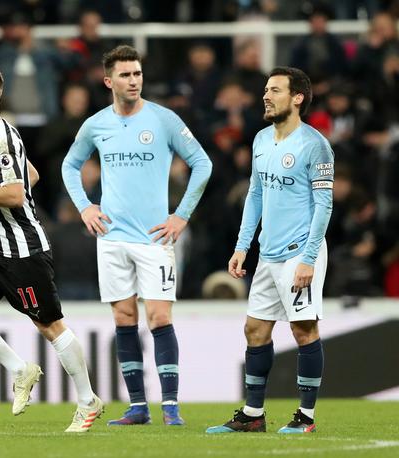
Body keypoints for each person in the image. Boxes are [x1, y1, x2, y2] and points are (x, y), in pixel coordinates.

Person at [0, 64, 103, 433]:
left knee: (49, 325)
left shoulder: (1, 138)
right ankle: (20, 369)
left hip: (23, 252)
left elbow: (17, 194)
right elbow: (29, 176)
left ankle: (87, 400)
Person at [61, 45, 213, 426]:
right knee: (124, 317)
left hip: (154, 238)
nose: (134, 80)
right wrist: (85, 206)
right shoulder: (96, 124)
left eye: (138, 74)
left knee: (159, 318)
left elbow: (202, 163)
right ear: (108, 81)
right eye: (126, 75)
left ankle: (172, 407)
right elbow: (70, 165)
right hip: (111, 237)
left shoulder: (163, 120)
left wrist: (181, 215)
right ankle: (138, 407)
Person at [206, 67, 334, 435]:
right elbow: (256, 195)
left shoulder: (315, 145)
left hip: (299, 252)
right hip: (269, 254)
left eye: (275, 90)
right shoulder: (261, 139)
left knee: (303, 330)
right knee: (255, 330)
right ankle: (252, 415)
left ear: (297, 98)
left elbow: (324, 205)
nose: (266, 95)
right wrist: (242, 246)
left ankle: (306, 418)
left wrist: (309, 259)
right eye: (265, 89)